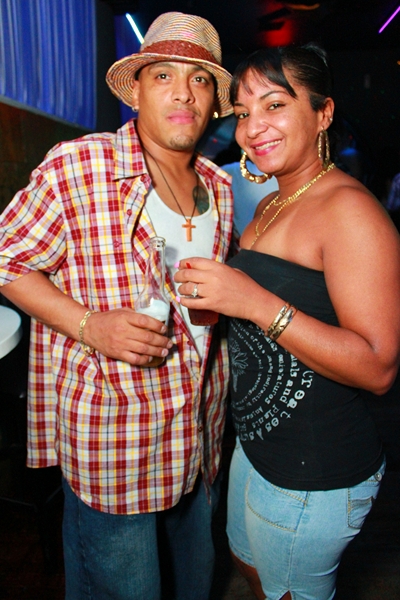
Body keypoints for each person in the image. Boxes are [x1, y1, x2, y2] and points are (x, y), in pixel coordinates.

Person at [0, 12, 235, 600]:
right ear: (135, 92)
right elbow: (7, 259)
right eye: (164, 76)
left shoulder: (221, 186)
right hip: (115, 442)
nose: (183, 92)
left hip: (199, 434)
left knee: (194, 584)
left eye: (200, 79)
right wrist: (89, 325)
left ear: (214, 101)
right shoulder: (79, 165)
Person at [174, 44, 400, 600]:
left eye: (274, 105)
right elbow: (284, 305)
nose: (253, 127)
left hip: (315, 469)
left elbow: (378, 368)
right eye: (243, 113)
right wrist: (222, 305)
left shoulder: (350, 211)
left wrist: (251, 302)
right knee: (249, 567)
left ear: (323, 113)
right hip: (257, 448)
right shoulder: (270, 203)